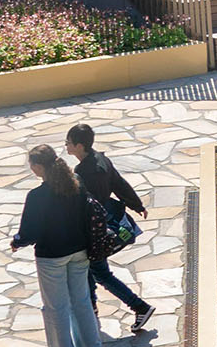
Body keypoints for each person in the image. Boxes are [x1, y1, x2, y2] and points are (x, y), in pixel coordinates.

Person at [10, 145, 103, 347]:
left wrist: (17, 240)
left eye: (32, 164)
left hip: (52, 257)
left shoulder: (37, 196)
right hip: (80, 252)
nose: (31, 168)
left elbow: (29, 232)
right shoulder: (76, 182)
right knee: (81, 301)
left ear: (39, 166)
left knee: (55, 307)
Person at [65, 123, 153, 334]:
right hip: (99, 228)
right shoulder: (101, 159)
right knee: (92, 271)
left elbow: (86, 206)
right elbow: (119, 184)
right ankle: (92, 312)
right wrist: (137, 204)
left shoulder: (84, 172)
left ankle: (139, 307)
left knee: (100, 272)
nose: (66, 146)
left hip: (96, 231)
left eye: (68, 143)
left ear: (79, 146)